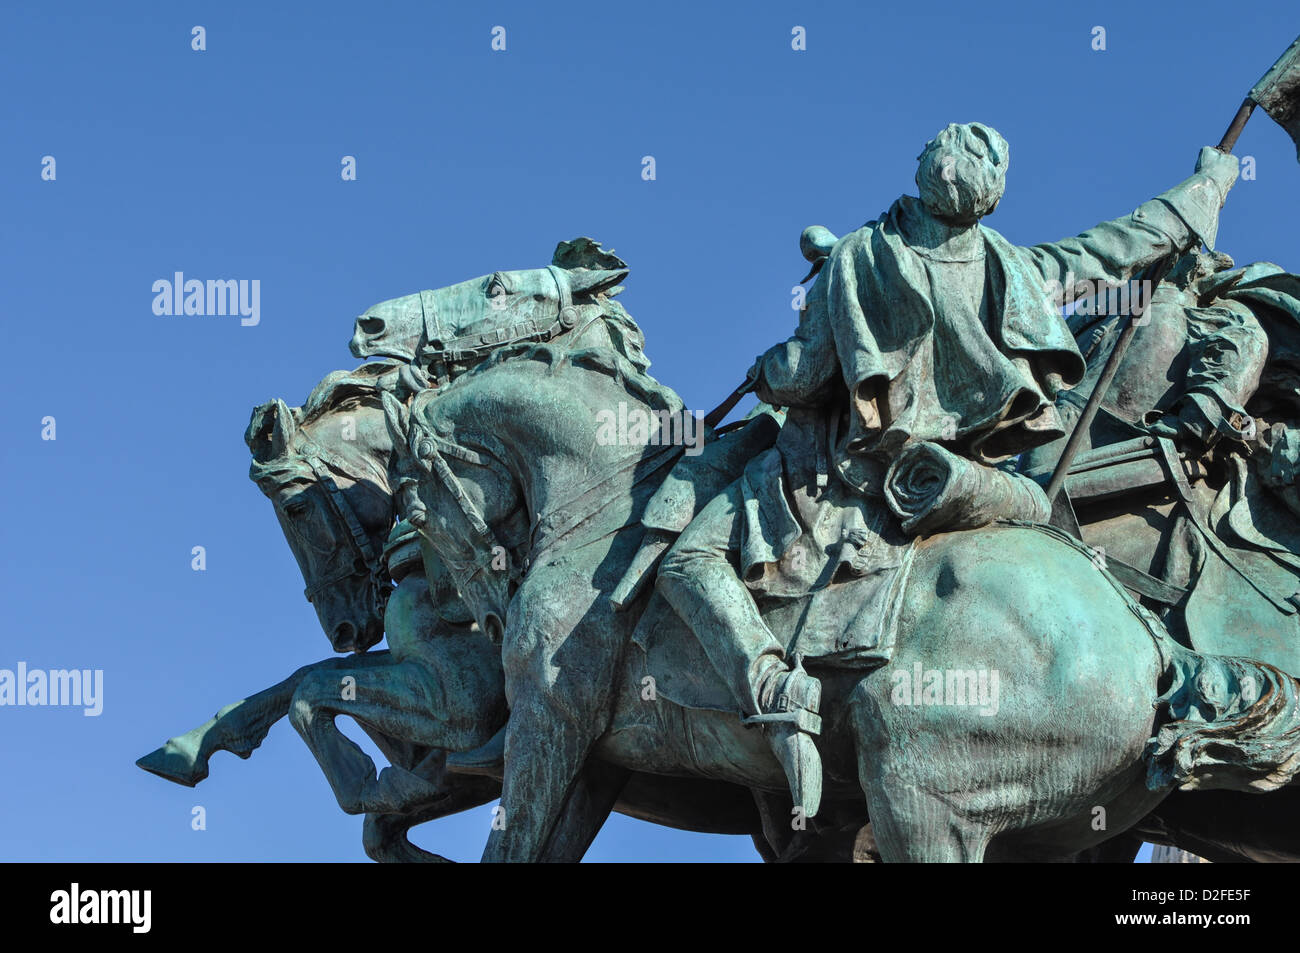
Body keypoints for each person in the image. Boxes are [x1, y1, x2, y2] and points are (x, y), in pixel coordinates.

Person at [656, 122, 1241, 815]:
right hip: (975, 486)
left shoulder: (861, 255)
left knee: (687, 559)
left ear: (924, 171)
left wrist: (772, 371)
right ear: (987, 200)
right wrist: (1206, 188)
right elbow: (1115, 247)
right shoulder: (1013, 267)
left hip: (849, 481)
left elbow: (809, 372)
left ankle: (777, 694)